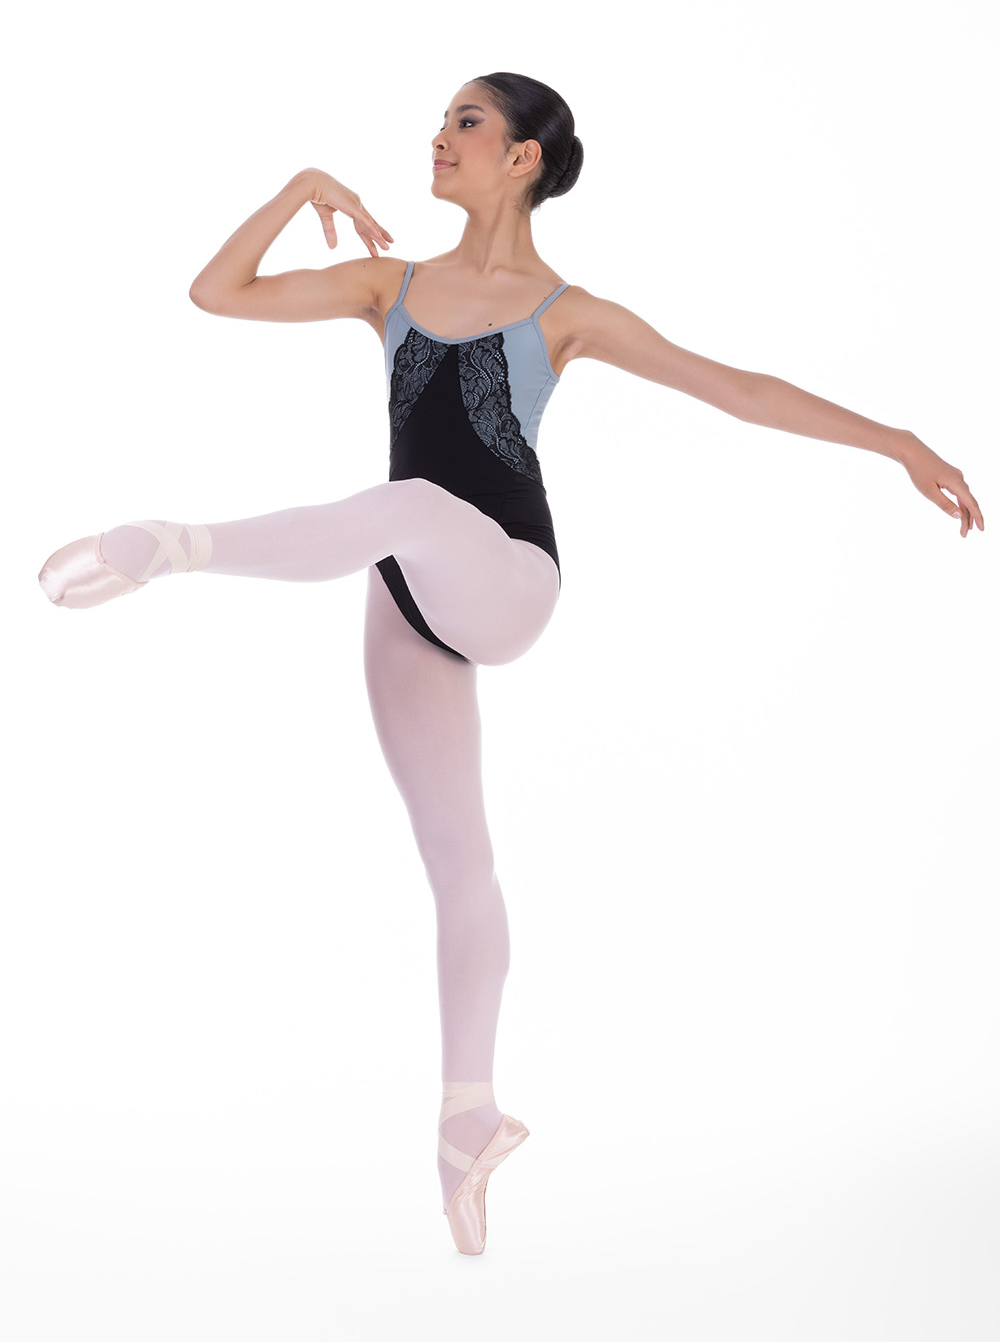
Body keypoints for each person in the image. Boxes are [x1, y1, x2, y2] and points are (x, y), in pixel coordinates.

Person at [37, 71, 985, 1255]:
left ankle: (171, 545)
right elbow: (214, 292)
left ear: (524, 156)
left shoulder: (566, 313)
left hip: (505, 578)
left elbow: (734, 388)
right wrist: (298, 187)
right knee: (459, 859)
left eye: (466, 121)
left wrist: (897, 441)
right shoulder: (389, 287)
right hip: (402, 591)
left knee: (406, 501)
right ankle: (465, 1119)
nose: (438, 136)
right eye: (442, 121)